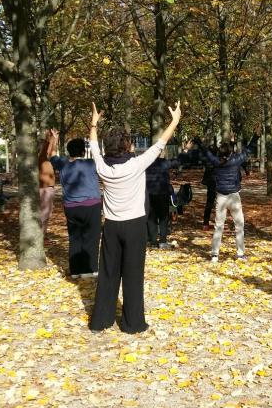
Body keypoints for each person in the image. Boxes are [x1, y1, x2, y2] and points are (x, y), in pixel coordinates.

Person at [88, 101, 182, 333]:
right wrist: (175, 121)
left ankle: (101, 321)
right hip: (135, 226)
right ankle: (132, 323)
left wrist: (94, 124)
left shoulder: (102, 167)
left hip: (111, 226)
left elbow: (93, 146)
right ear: (127, 146)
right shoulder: (137, 164)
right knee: (133, 275)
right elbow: (161, 143)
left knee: (108, 273)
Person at [202, 130, 260, 262]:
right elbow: (248, 151)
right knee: (239, 225)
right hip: (234, 196)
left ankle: (215, 255)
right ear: (231, 152)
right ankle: (240, 254)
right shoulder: (235, 160)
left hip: (221, 197)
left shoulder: (216, 161)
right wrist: (255, 136)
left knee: (219, 226)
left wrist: (198, 141)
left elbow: (206, 152)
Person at [51, 138, 102, 278]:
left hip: (71, 207)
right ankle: (90, 269)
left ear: (69, 151)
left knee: (75, 238)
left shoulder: (62, 164)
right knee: (91, 237)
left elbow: (52, 154)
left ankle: (75, 271)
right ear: (83, 151)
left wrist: (54, 139)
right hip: (91, 205)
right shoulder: (91, 164)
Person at [145, 141, 196, 249]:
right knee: (163, 217)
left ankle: (153, 241)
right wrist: (186, 150)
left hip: (149, 193)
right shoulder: (164, 163)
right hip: (162, 193)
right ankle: (162, 241)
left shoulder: (146, 164)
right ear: (161, 153)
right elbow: (178, 160)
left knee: (151, 217)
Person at [38, 129, 58, 234]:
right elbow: (47, 149)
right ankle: (40, 235)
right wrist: (49, 137)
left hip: (48, 188)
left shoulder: (45, 158)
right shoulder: (41, 157)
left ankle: (42, 234)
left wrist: (55, 138)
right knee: (44, 213)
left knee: (47, 213)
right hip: (45, 188)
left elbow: (52, 150)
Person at [201, 145, 218, 231]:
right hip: (217, 182)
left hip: (211, 183)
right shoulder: (218, 160)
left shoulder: (207, 160)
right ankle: (216, 223)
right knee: (220, 203)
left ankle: (205, 223)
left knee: (209, 203)